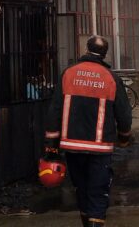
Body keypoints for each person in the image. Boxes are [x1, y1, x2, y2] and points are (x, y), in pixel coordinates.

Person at [45, 36, 133, 226]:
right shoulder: (111, 78)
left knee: (81, 187)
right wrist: (124, 137)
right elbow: (124, 114)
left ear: (87, 49)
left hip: (72, 145)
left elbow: (55, 110)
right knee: (98, 190)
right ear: (105, 54)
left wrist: (52, 145)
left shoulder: (69, 73)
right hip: (100, 148)